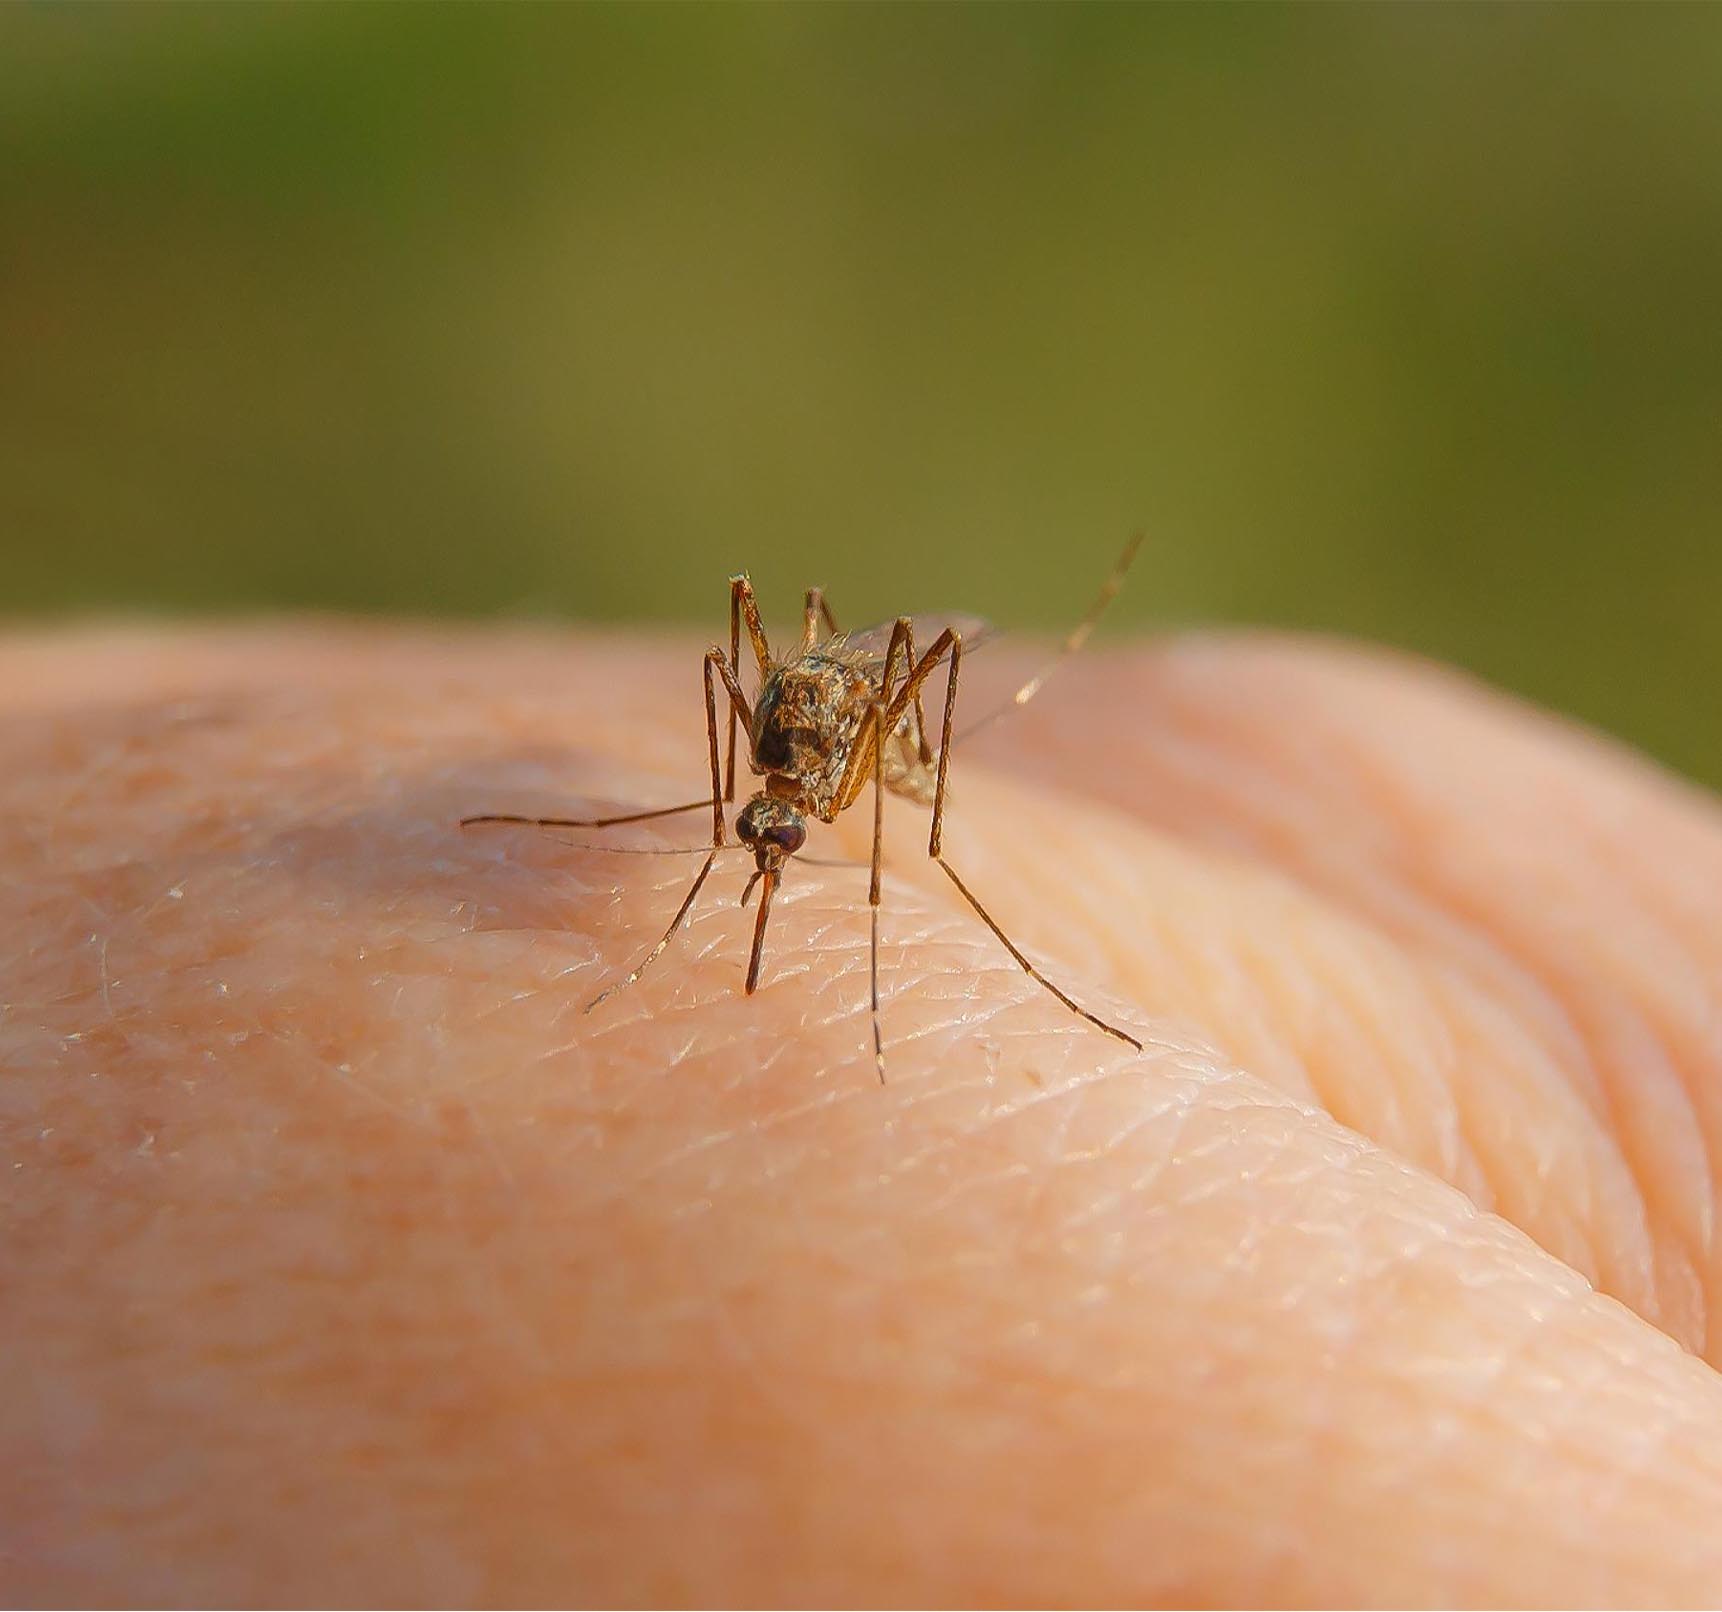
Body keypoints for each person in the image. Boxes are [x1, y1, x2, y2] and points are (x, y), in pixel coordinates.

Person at [7, 620, 1722, 1605]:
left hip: (863, 740)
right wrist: (704, 809)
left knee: (891, 669)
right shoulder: (758, 783)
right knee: (741, 631)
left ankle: (933, 872)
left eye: (753, 846)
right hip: (791, 730)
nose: (761, 875)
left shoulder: (830, 769)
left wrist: (908, 862)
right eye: (753, 845)